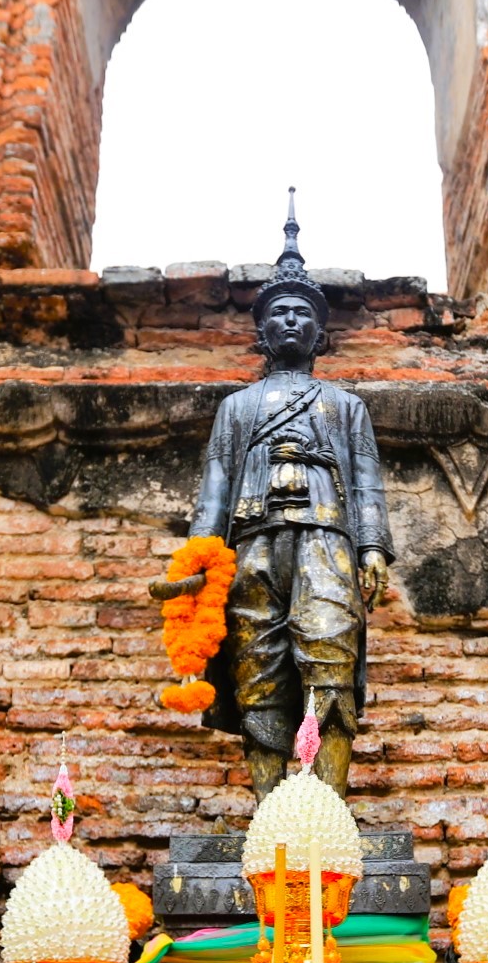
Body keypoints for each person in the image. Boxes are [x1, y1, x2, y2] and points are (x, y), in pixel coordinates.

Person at [156, 195, 392, 798]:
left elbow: (366, 479)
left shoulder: (345, 406)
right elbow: (214, 485)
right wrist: (198, 564)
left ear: (319, 331)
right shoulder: (236, 410)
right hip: (253, 545)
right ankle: (267, 815)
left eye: (301, 314)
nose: (290, 321)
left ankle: (328, 811)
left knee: (328, 655)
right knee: (259, 664)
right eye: (279, 313)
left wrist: (371, 548)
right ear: (263, 330)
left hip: (325, 539)